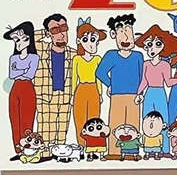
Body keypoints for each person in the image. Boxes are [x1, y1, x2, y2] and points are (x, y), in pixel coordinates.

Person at [96, 15, 144, 160]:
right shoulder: (111, 55)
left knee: (133, 123)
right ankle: (114, 152)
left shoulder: (138, 56)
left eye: (129, 32)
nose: (126, 37)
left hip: (134, 95)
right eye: (122, 33)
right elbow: (100, 72)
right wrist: (110, 84)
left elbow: (142, 75)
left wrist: (140, 93)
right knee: (115, 123)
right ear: (113, 35)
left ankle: (132, 152)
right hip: (117, 94)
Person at [135, 25, 177, 157]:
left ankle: (165, 150)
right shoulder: (146, 64)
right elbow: (144, 81)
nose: (152, 49)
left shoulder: (165, 65)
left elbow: (168, 82)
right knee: (147, 121)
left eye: (157, 44)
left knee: (163, 122)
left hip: (160, 93)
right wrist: (139, 93)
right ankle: (149, 149)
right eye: (149, 45)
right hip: (149, 94)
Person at [34, 13, 76, 156]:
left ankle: (59, 156)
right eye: (55, 30)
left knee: (62, 133)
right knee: (45, 132)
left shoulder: (74, 54)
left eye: (63, 28)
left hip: (65, 98)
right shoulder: (41, 50)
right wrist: (44, 32)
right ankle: (45, 155)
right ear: (49, 34)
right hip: (45, 98)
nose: (61, 34)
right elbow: (29, 38)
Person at [4, 21, 39, 158]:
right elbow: (12, 75)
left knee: (27, 120)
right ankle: (18, 150)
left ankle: (27, 150)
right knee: (15, 120)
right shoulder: (13, 57)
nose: (19, 43)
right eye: (17, 40)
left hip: (27, 88)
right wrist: (23, 70)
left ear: (29, 39)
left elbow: (30, 74)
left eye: (24, 39)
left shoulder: (34, 57)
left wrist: (19, 70)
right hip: (16, 88)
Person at [71, 18, 107, 145]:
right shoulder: (77, 59)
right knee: (79, 117)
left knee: (94, 118)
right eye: (86, 40)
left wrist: (100, 93)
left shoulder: (97, 59)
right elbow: (74, 78)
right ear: (79, 41)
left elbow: (99, 78)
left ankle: (93, 144)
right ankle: (81, 144)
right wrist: (72, 95)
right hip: (80, 89)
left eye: (93, 39)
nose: (91, 44)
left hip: (94, 89)